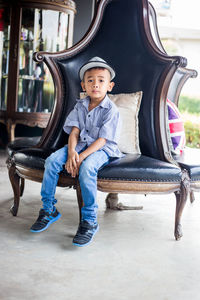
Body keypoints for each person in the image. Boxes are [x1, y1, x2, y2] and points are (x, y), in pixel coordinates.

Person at [30, 57, 124, 247]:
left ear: (110, 85)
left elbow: (102, 140)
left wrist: (80, 158)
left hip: (102, 149)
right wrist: (72, 152)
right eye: (90, 80)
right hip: (79, 145)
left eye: (100, 80)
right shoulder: (80, 105)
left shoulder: (111, 110)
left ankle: (89, 220)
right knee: (52, 161)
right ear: (83, 85)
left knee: (87, 168)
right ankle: (48, 209)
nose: (95, 84)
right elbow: (74, 132)